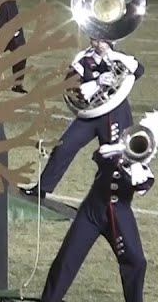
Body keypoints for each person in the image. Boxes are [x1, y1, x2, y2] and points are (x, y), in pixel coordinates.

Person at [40, 111, 158, 302]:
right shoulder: (113, 149)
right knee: (69, 255)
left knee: (136, 259)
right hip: (92, 209)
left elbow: (143, 187)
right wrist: (118, 150)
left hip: (119, 214)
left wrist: (134, 166)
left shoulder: (143, 171)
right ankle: (49, 299)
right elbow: (98, 155)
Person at [21, 38, 145, 197]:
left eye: (104, 41)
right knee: (64, 147)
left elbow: (139, 71)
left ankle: (113, 199)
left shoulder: (119, 57)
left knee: (115, 157)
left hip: (115, 113)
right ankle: (42, 188)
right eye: (96, 40)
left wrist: (118, 58)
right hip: (91, 113)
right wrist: (97, 83)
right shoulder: (84, 59)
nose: (100, 44)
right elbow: (71, 87)